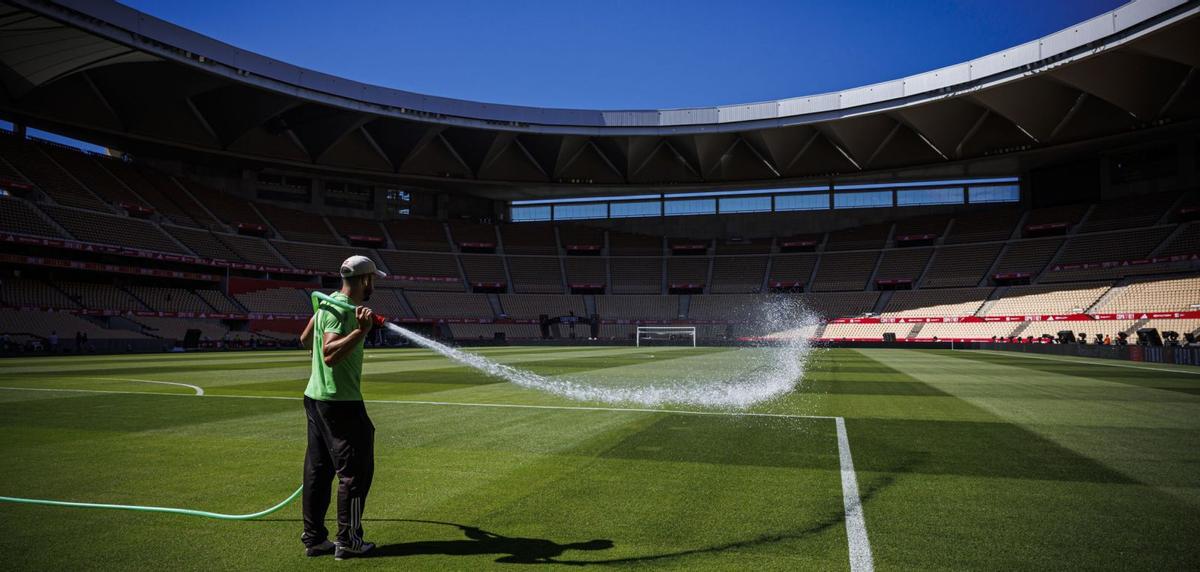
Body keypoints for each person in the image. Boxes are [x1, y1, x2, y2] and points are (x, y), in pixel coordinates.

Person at [298, 255, 385, 560]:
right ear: (364, 280)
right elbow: (328, 354)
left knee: (319, 470)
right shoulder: (339, 310)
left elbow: (305, 338)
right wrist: (360, 331)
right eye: (373, 279)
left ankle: (314, 539)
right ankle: (348, 540)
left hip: (316, 398)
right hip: (340, 402)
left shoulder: (327, 304)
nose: (374, 285)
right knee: (356, 472)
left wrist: (321, 316)